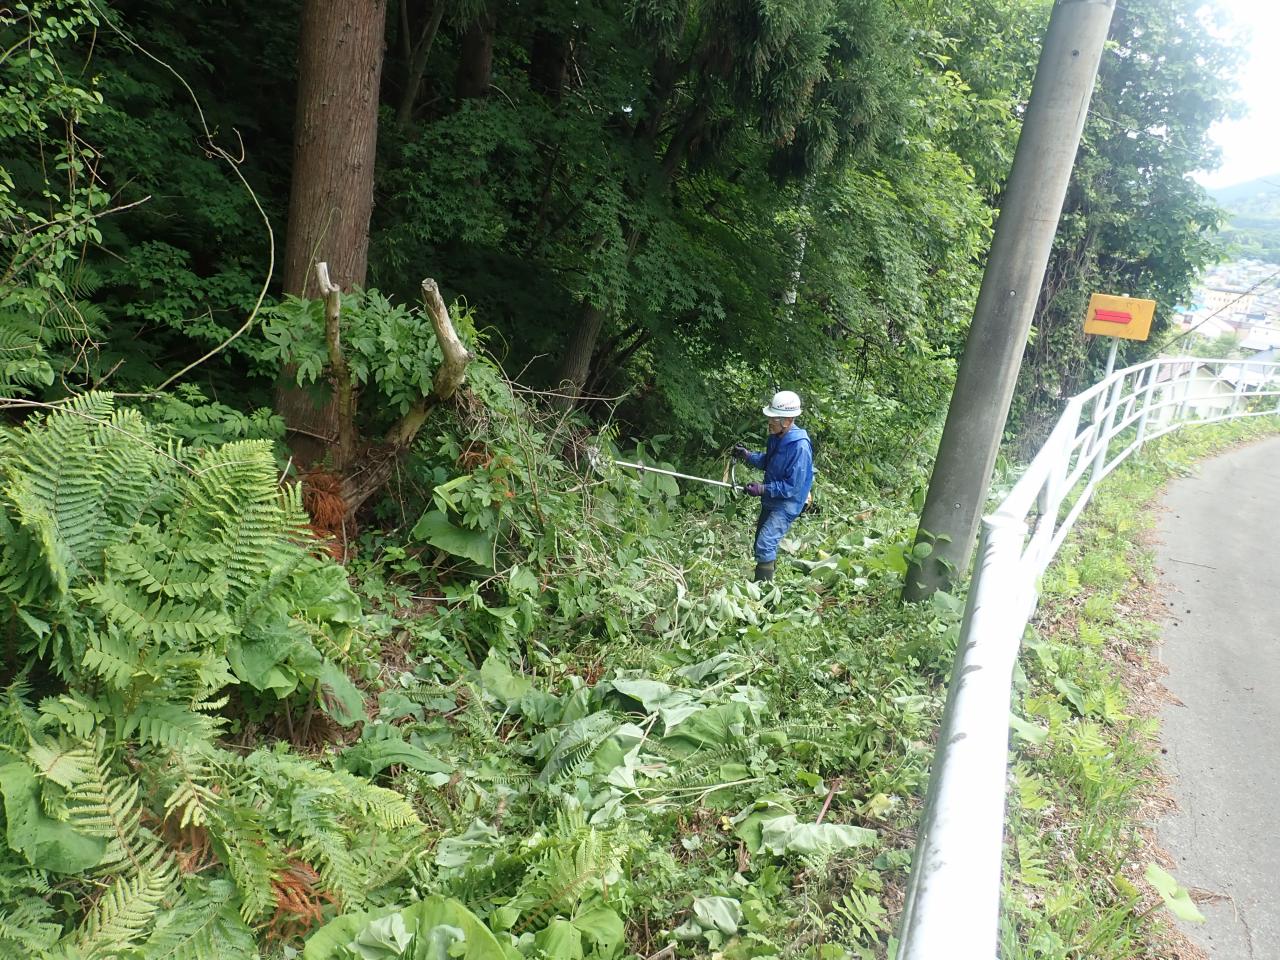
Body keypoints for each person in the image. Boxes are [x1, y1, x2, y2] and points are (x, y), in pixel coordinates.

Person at [732, 390, 814, 582]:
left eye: (773, 419)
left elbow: (792, 487)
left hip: (787, 503)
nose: (769, 423)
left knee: (766, 543)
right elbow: (769, 461)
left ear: (787, 420)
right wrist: (747, 455)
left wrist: (762, 489)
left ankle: (764, 597)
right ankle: (764, 582)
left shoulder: (800, 447)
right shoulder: (776, 437)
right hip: (771, 499)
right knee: (760, 542)